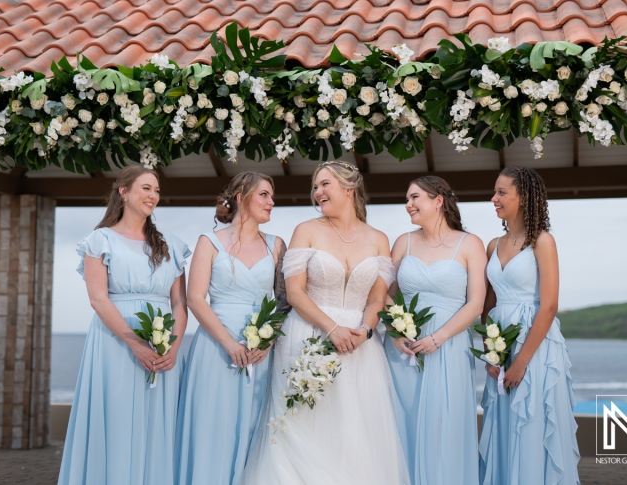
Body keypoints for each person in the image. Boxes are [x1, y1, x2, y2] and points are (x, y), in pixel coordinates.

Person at [242, 160, 411, 485]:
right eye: (315, 187)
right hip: (309, 333)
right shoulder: (306, 230)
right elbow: (294, 292)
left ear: (349, 189)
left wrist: (364, 331)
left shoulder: (378, 238)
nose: (317, 192)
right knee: (305, 426)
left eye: (325, 185)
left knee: (354, 432)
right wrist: (332, 328)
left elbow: (377, 299)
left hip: (359, 346)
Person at [57, 166, 191, 485]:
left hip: (163, 346)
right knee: (116, 420)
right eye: (146, 188)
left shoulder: (171, 245)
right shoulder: (99, 240)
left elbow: (179, 304)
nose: (152, 196)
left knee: (158, 423)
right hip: (115, 344)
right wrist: (134, 343)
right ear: (124, 192)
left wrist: (174, 346)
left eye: (156, 190)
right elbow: (99, 299)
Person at [176, 172, 286, 485]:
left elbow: (284, 301)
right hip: (216, 347)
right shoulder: (208, 242)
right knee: (213, 424)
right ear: (241, 198)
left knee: (255, 425)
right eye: (264, 195)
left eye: (272, 196)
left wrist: (267, 342)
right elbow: (196, 299)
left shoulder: (277, 245)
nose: (271, 202)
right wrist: (229, 343)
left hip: (260, 352)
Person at [479, 166, 580, 484]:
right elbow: (488, 304)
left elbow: (549, 306)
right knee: (505, 425)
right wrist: (490, 354)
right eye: (494, 192)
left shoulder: (543, 242)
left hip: (535, 349)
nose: (493, 198)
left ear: (523, 198)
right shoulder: (493, 245)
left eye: (501, 192)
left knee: (531, 425)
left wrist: (521, 361)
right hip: (500, 345)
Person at [385, 176, 486, 484]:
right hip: (405, 347)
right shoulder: (403, 241)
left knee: (444, 424)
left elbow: (476, 304)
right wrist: (395, 329)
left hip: (448, 346)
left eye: (415, 197)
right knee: (404, 421)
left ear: (438, 200)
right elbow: (384, 293)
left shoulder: (469, 244)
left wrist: (437, 338)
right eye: (407, 199)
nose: (409, 204)